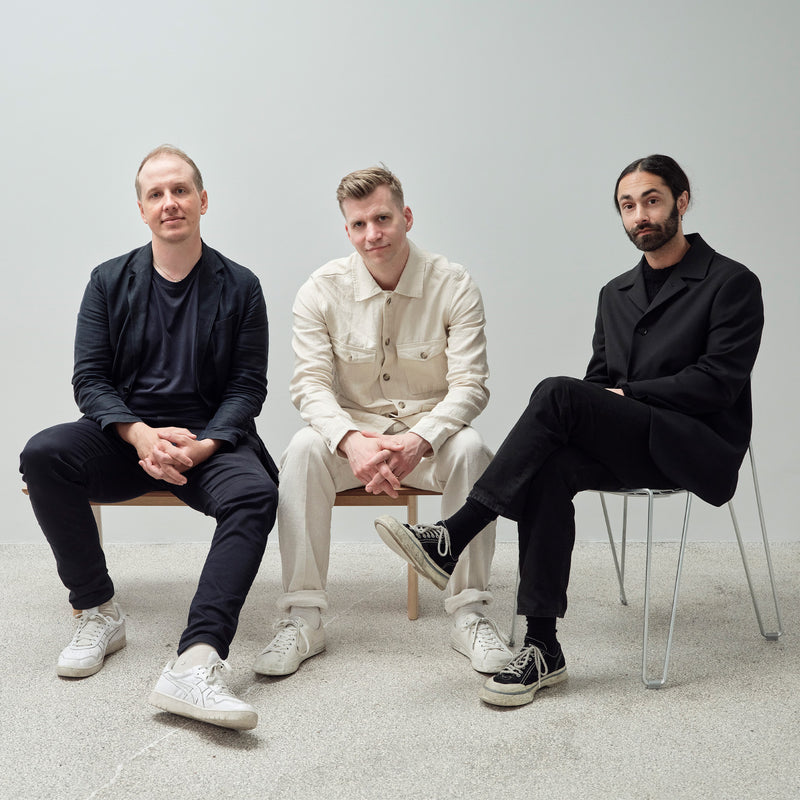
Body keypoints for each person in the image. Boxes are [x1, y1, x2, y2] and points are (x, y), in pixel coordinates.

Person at [375, 154, 764, 707]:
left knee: (556, 392)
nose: (639, 216)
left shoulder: (731, 282)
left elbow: (718, 383)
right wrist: (607, 402)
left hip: (694, 445)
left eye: (651, 200)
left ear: (682, 201)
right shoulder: (617, 293)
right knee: (549, 463)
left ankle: (454, 533)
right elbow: (599, 383)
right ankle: (543, 646)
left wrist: (627, 397)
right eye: (627, 207)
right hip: (635, 442)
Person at [20, 145, 278, 731]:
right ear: (141, 209)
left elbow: (247, 386)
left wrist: (204, 444)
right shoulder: (109, 281)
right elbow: (90, 378)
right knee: (44, 454)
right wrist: (138, 436)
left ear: (203, 200)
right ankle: (98, 610)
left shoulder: (241, 286)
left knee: (254, 494)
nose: (170, 203)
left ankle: (196, 659)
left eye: (181, 190)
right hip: (124, 437)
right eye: (157, 194)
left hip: (205, 439)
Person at [254, 166, 511, 677]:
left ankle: (471, 614)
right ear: (347, 230)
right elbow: (310, 386)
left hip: (428, 439)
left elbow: (470, 385)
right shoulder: (320, 291)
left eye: (382, 218)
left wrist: (420, 439)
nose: (372, 234)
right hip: (356, 443)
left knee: (474, 450)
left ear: (406, 216)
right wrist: (351, 441)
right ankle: (303, 618)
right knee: (304, 450)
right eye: (358, 224)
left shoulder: (453, 284)